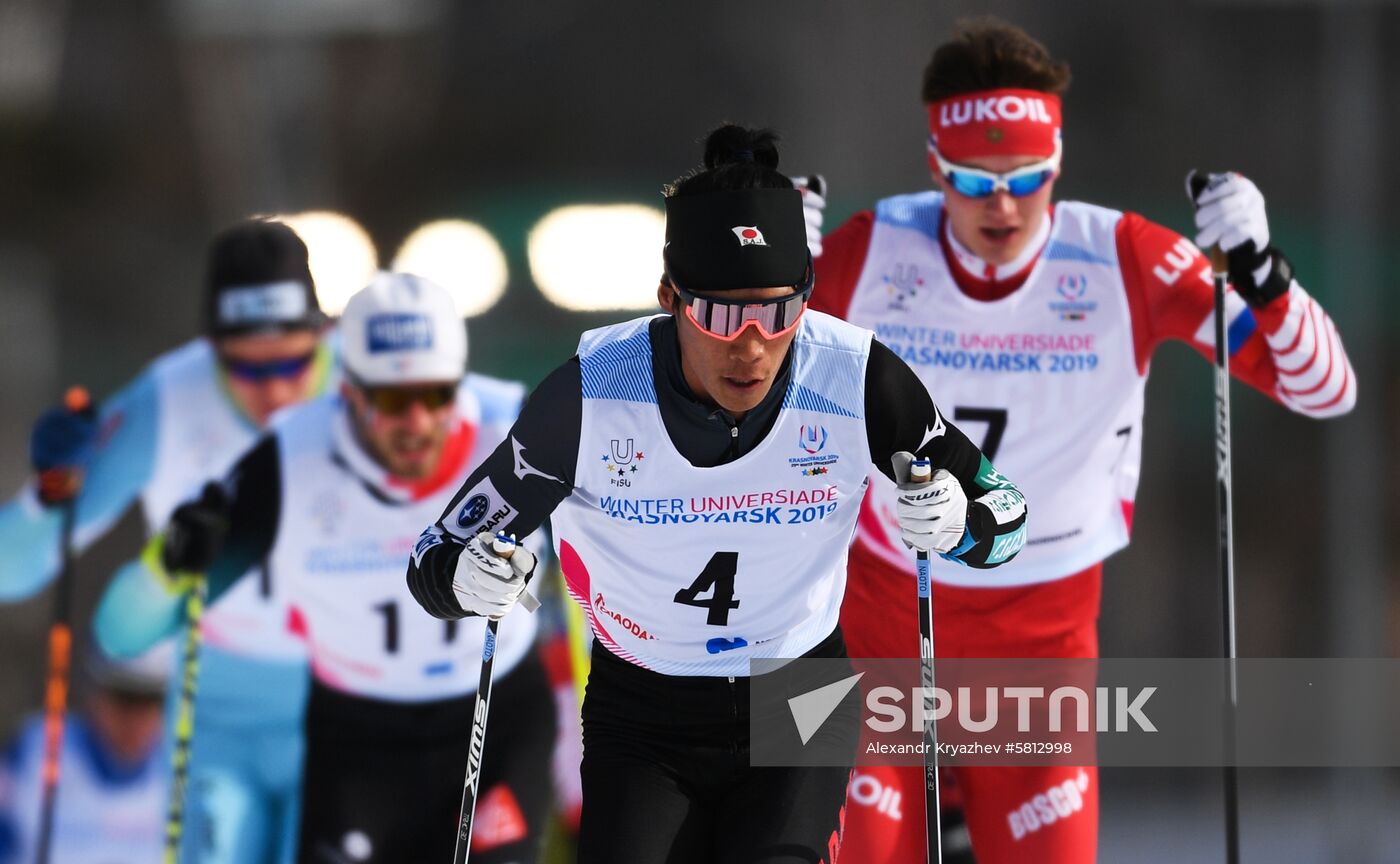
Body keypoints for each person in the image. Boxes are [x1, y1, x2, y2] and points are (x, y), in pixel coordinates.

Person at [808, 18, 1356, 863]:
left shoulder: (1122, 256)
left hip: (1040, 647)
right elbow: (731, 382)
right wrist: (774, 272)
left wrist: (1260, 268)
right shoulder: (873, 248)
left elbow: (1323, 388)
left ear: (1056, 162)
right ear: (934, 168)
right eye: (973, 179)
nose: (1002, 203)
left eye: (1026, 177)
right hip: (883, 630)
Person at [406, 124, 1029, 864]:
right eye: (724, 316)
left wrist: (960, 526)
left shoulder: (855, 378)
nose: (754, 346)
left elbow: (1009, 516)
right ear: (671, 297)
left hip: (798, 689)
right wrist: (468, 577)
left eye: (779, 312)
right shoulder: (591, 394)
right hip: (644, 708)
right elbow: (433, 559)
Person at [95, 273, 555, 864]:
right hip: (359, 738)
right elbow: (123, 634)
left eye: (437, 394)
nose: (416, 421)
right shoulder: (289, 461)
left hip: (493, 719)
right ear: (351, 391)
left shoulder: (516, 430)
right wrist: (168, 566)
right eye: (392, 399)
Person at [0, 219, 335, 864]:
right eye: (245, 366)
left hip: (344, 696)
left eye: (295, 361)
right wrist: (44, 493)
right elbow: (17, 571)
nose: (274, 390)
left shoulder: (370, 383)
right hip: (215, 704)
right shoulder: (166, 399)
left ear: (323, 335)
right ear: (211, 348)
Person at [0, 648, 172, 864]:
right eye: (125, 699)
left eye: (152, 702)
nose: (136, 720)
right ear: (94, 693)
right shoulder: (36, 748)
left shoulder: (183, 769)